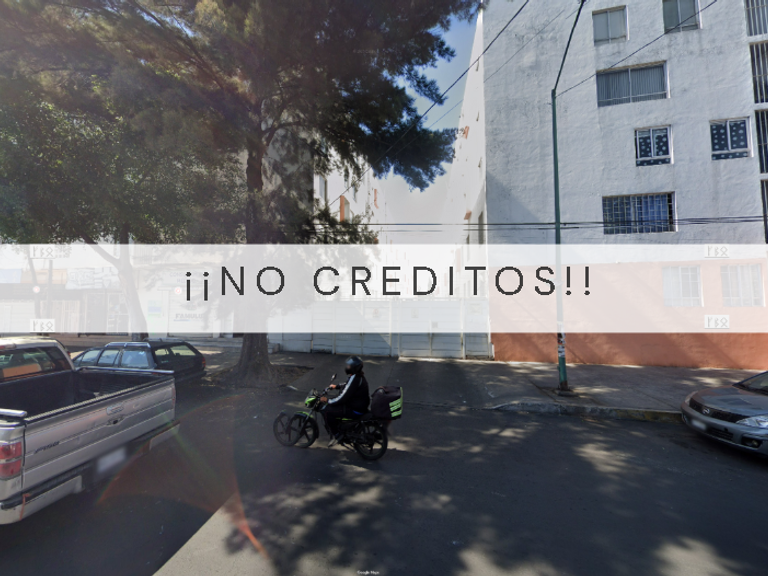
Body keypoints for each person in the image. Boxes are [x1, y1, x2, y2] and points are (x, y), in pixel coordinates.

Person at [320, 356, 369, 446]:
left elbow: (343, 397)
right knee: (334, 406)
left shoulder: (355, 378)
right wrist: (336, 386)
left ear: (354, 368)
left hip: (355, 409)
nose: (347, 367)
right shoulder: (357, 376)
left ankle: (337, 435)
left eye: (349, 366)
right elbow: (347, 385)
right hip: (359, 405)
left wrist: (328, 400)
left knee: (327, 411)